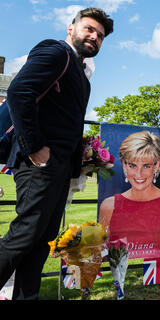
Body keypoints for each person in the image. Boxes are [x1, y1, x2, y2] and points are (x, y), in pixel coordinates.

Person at [0, 8, 113, 300]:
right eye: (89, 29)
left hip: (59, 168)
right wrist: (34, 145)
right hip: (38, 162)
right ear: (70, 28)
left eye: (100, 36)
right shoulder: (55, 52)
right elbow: (19, 92)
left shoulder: (82, 76)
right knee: (26, 233)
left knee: (41, 241)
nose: (94, 37)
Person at [99, 131, 160, 259]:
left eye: (146, 166)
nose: (139, 174)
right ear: (124, 164)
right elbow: (104, 257)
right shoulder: (108, 206)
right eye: (132, 165)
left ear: (157, 165)